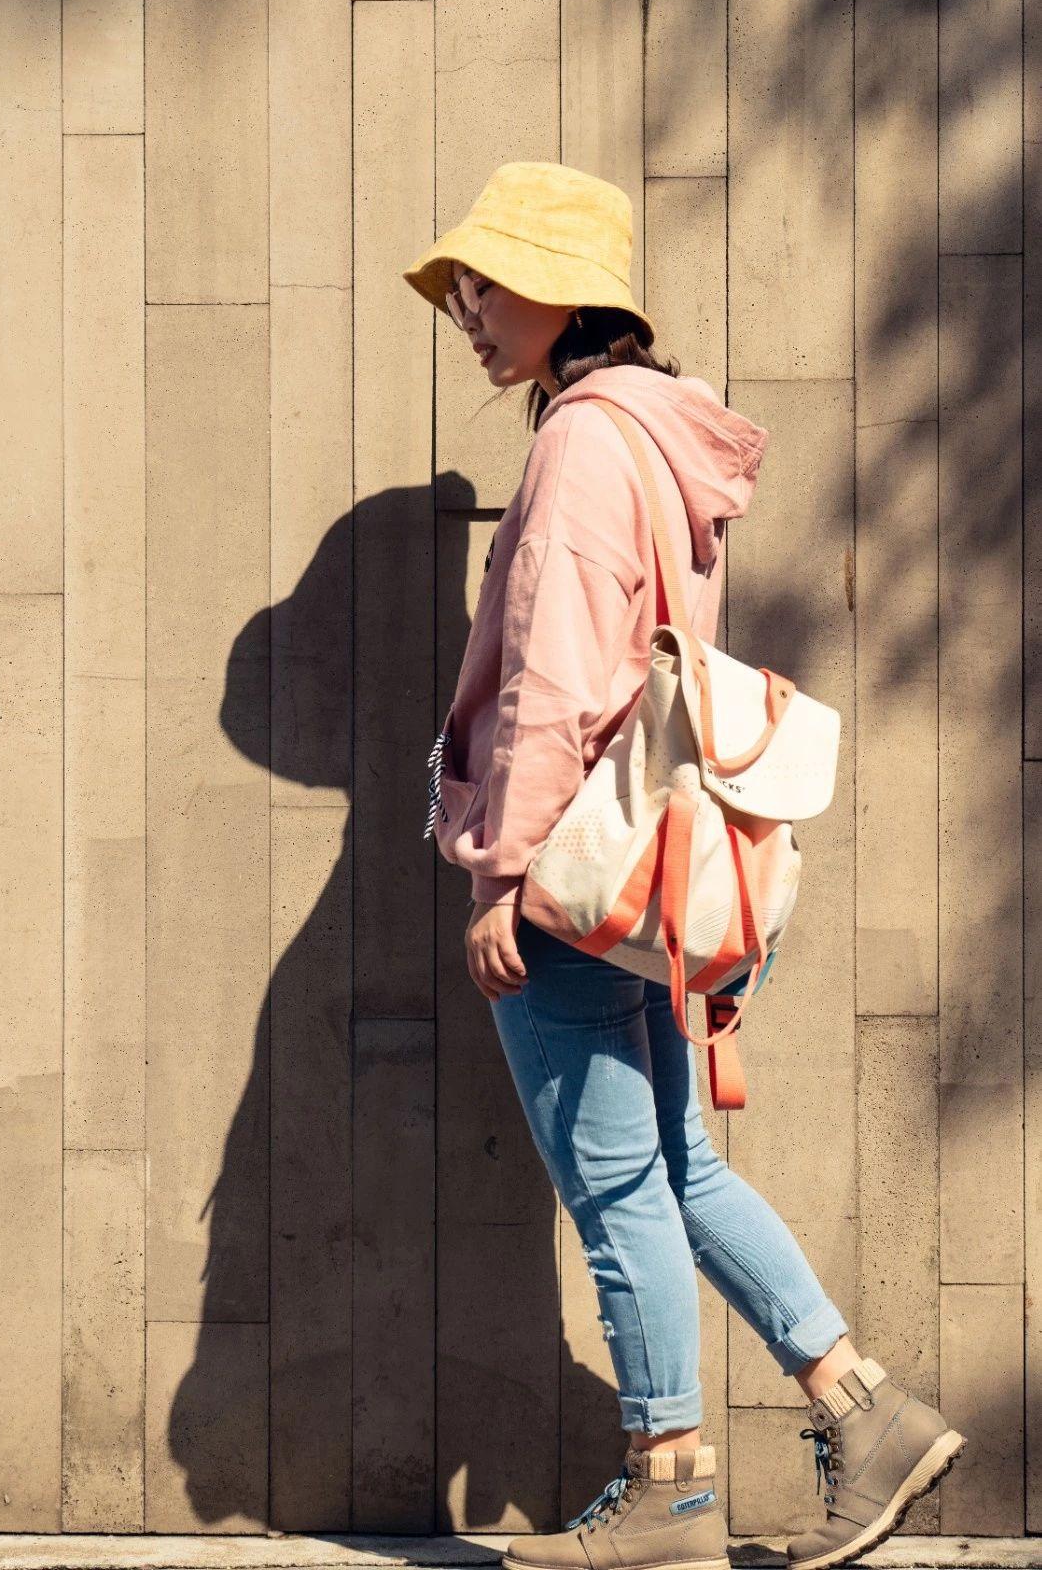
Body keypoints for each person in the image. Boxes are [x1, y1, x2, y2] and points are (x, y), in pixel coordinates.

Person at [402, 161, 965, 1570]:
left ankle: (670, 1482)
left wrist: (498, 873)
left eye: (486, 282)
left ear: (562, 291)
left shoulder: (583, 446)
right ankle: (863, 1406)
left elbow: (555, 675)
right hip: (650, 868)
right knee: (672, 1165)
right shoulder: (661, 436)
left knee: (614, 1185)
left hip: (575, 874)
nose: (465, 312)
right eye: (460, 288)